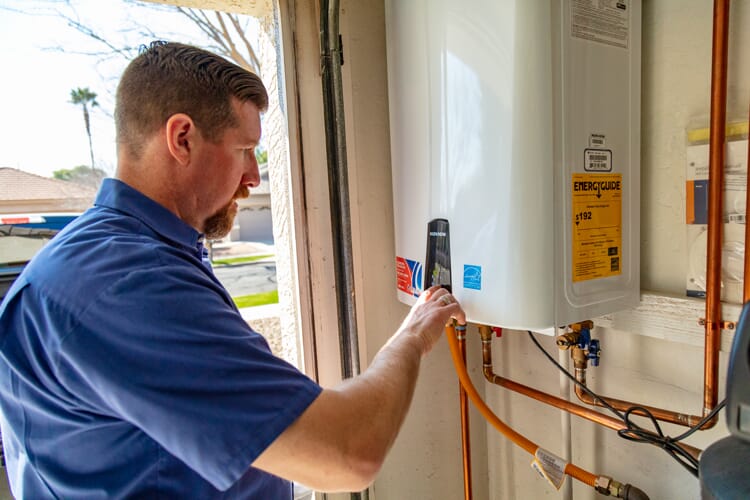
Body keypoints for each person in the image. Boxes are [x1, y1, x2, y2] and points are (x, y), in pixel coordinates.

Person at [0, 41, 465, 498]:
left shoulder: (106, 255)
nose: (254, 177)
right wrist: (412, 337)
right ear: (181, 138)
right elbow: (346, 454)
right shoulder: (126, 284)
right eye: (245, 149)